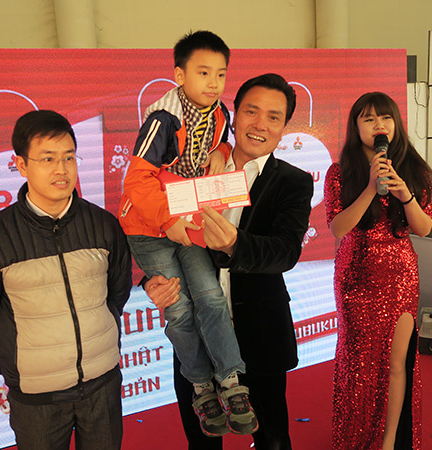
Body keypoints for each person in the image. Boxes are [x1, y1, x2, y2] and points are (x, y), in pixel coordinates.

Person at [146, 73, 314, 450]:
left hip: (260, 333)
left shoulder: (293, 182)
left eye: (273, 116)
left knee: (272, 438)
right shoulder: (192, 168)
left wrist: (236, 244)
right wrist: (151, 280)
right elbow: (156, 232)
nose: (260, 124)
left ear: (284, 127)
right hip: (197, 336)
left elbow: (285, 251)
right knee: (203, 440)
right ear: (234, 116)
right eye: (251, 111)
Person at [0, 110, 132, 450]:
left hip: (103, 385)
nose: (61, 169)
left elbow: (116, 294)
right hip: (37, 401)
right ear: (21, 165)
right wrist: (22, 368)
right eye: (48, 159)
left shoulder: (104, 225)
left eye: (69, 157)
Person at [119, 30, 257, 437]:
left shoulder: (219, 112)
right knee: (179, 309)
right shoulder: (164, 119)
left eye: (221, 74)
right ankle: (201, 386)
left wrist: (222, 152)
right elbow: (136, 181)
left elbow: (223, 143)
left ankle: (231, 380)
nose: (213, 82)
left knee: (211, 297)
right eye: (203, 72)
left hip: (188, 218)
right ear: (179, 75)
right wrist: (167, 221)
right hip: (149, 227)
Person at [323, 92, 432, 450]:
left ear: (396, 124)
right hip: (355, 277)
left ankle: (388, 443)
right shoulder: (340, 172)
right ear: (356, 126)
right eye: (369, 118)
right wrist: (371, 189)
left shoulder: (414, 169)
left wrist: (405, 196)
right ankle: (356, 438)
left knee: (396, 364)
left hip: (400, 277)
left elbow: (423, 228)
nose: (379, 125)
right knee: (357, 366)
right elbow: (338, 228)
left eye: (385, 118)